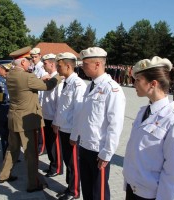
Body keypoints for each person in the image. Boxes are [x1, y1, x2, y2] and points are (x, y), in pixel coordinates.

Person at [123, 56, 174, 200]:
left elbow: (173, 173)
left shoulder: (173, 121)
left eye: (138, 80)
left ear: (152, 83)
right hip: (133, 188)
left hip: (150, 195)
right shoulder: (144, 112)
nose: (134, 84)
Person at [0, 46, 61, 193]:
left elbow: (26, 86)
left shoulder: (11, 74)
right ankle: (34, 183)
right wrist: (58, 77)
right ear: (22, 63)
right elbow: (48, 86)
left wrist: (38, 79)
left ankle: (3, 174)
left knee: (12, 149)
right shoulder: (27, 76)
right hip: (27, 121)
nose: (29, 63)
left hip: (13, 118)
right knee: (31, 154)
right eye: (27, 61)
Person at [72, 47, 126, 200]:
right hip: (85, 146)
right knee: (87, 191)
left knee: (99, 193)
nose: (82, 67)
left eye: (85, 63)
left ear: (97, 64)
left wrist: (107, 153)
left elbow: (115, 125)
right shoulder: (90, 86)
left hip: (98, 150)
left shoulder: (112, 89)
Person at [52, 52, 86, 200]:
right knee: (67, 162)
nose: (57, 69)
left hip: (72, 131)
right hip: (63, 129)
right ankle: (69, 187)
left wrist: (74, 135)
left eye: (59, 66)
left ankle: (74, 191)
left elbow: (79, 112)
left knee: (73, 164)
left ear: (68, 65)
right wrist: (56, 123)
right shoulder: (66, 82)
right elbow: (63, 107)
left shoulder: (78, 84)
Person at [41, 53, 64, 177]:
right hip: (47, 116)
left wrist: (56, 121)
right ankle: (52, 164)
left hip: (53, 118)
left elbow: (59, 102)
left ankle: (57, 167)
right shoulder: (49, 78)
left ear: (52, 64)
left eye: (45, 63)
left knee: (55, 145)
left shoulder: (58, 80)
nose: (43, 66)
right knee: (50, 145)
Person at [30, 47, 48, 155]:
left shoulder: (41, 67)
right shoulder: (34, 67)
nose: (33, 59)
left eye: (35, 57)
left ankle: (42, 147)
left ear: (40, 56)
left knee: (41, 127)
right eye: (32, 57)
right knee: (37, 126)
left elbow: (45, 80)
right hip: (36, 100)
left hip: (41, 100)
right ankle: (38, 144)